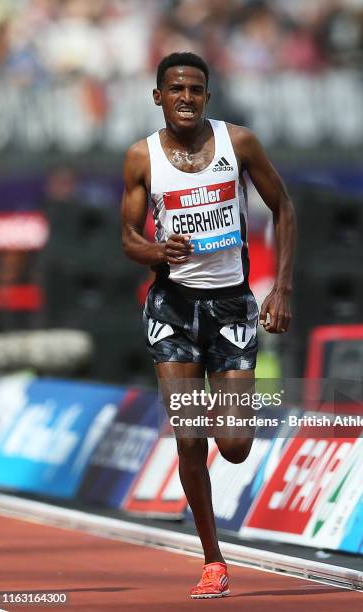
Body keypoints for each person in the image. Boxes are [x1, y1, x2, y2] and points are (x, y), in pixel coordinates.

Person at [121, 51, 296, 599]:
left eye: (196, 89)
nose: (187, 98)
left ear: (208, 97)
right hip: (172, 308)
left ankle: (233, 423)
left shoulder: (237, 143)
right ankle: (213, 561)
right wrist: (155, 248)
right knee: (190, 440)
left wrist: (282, 287)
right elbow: (127, 237)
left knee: (236, 443)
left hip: (231, 307)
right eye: (176, 89)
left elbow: (284, 208)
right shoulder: (141, 157)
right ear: (158, 97)